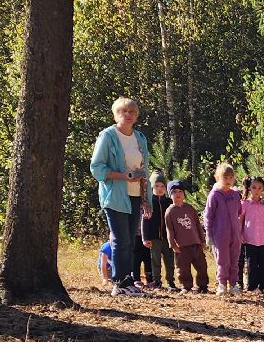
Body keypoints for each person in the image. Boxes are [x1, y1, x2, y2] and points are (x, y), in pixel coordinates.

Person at [89, 97, 150, 297]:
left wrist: (146, 199)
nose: (128, 115)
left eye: (131, 111)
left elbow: (144, 169)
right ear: (116, 114)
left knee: (131, 241)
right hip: (115, 195)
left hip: (134, 196)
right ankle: (119, 282)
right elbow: (97, 168)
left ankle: (128, 280)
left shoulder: (140, 138)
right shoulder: (107, 136)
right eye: (123, 111)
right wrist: (123, 176)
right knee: (120, 239)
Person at [203, 162, 243, 296]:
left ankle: (233, 284)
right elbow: (208, 216)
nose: (228, 180)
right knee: (222, 260)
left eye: (231, 177)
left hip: (235, 234)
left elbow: (239, 211)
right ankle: (221, 284)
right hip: (220, 234)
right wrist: (209, 234)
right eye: (225, 177)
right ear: (217, 178)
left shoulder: (235, 195)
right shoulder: (214, 195)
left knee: (234, 260)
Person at [164, 180, 209, 293]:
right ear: (170, 195)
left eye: (180, 191)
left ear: (184, 194)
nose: (178, 194)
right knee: (183, 268)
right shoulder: (170, 212)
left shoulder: (190, 208)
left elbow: (197, 224)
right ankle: (186, 286)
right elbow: (169, 229)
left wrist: (202, 240)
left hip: (195, 243)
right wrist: (173, 244)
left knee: (202, 266)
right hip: (182, 246)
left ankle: (203, 286)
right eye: (174, 192)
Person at [141, 172, 177, 291]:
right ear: (152, 187)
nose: (160, 189)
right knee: (155, 260)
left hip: (167, 237)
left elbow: (175, 220)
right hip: (154, 237)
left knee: (169, 259)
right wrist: (145, 238)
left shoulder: (169, 202)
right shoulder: (149, 202)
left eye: (162, 186)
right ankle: (157, 281)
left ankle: (171, 281)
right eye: (157, 186)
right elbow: (144, 221)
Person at [240, 176, 264, 294]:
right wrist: (240, 233)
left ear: (263, 189)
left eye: (259, 188)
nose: (257, 190)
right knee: (251, 264)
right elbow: (241, 219)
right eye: (254, 187)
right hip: (249, 238)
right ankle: (252, 286)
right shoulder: (245, 204)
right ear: (249, 188)